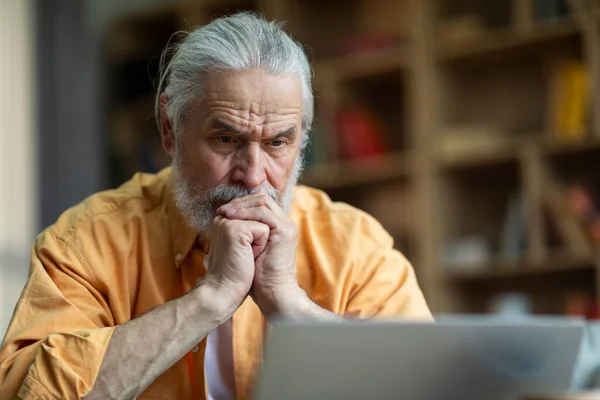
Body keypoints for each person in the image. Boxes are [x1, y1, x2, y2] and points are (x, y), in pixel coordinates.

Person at [0, 12, 432, 400]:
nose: (253, 174)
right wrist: (210, 299)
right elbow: (27, 395)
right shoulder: (86, 240)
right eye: (226, 140)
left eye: (278, 142)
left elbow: (428, 386)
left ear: (302, 140)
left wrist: (290, 305)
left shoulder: (356, 246)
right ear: (170, 129)